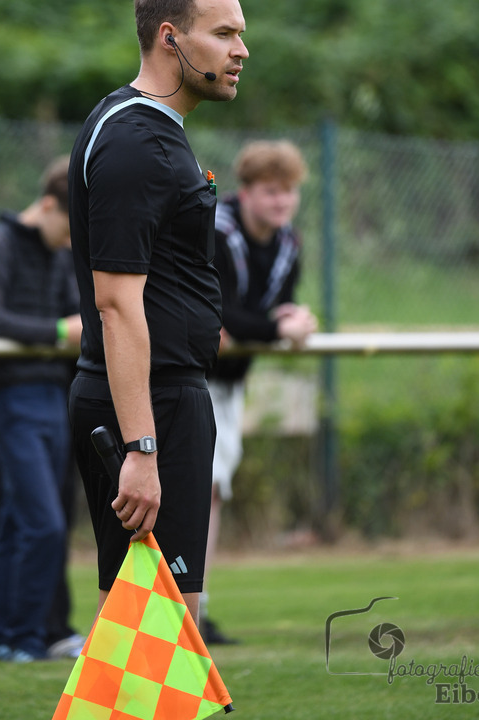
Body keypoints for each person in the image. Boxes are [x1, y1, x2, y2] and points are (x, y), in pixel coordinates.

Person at [67, 0, 249, 626]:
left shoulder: (151, 129)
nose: (241, 50)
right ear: (170, 38)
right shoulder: (136, 142)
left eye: (239, 34)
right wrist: (141, 449)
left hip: (165, 400)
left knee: (143, 637)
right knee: (158, 634)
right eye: (222, 34)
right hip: (151, 408)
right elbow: (116, 306)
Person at [201, 140, 318, 644]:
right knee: (194, 492)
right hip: (188, 377)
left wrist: (290, 317)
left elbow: (268, 310)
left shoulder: (289, 243)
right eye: (271, 191)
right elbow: (216, 311)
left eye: (288, 191)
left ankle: (196, 608)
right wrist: (276, 328)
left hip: (229, 382)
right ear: (245, 192)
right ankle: (179, 610)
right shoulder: (216, 230)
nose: (281, 201)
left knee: (212, 492)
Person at [0, 156, 84, 662]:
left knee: (21, 523)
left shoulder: (57, 254)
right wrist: (60, 331)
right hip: (12, 399)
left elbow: (76, 314)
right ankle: (26, 637)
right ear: (48, 205)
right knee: (43, 525)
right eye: (71, 226)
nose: (73, 240)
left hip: (54, 397)